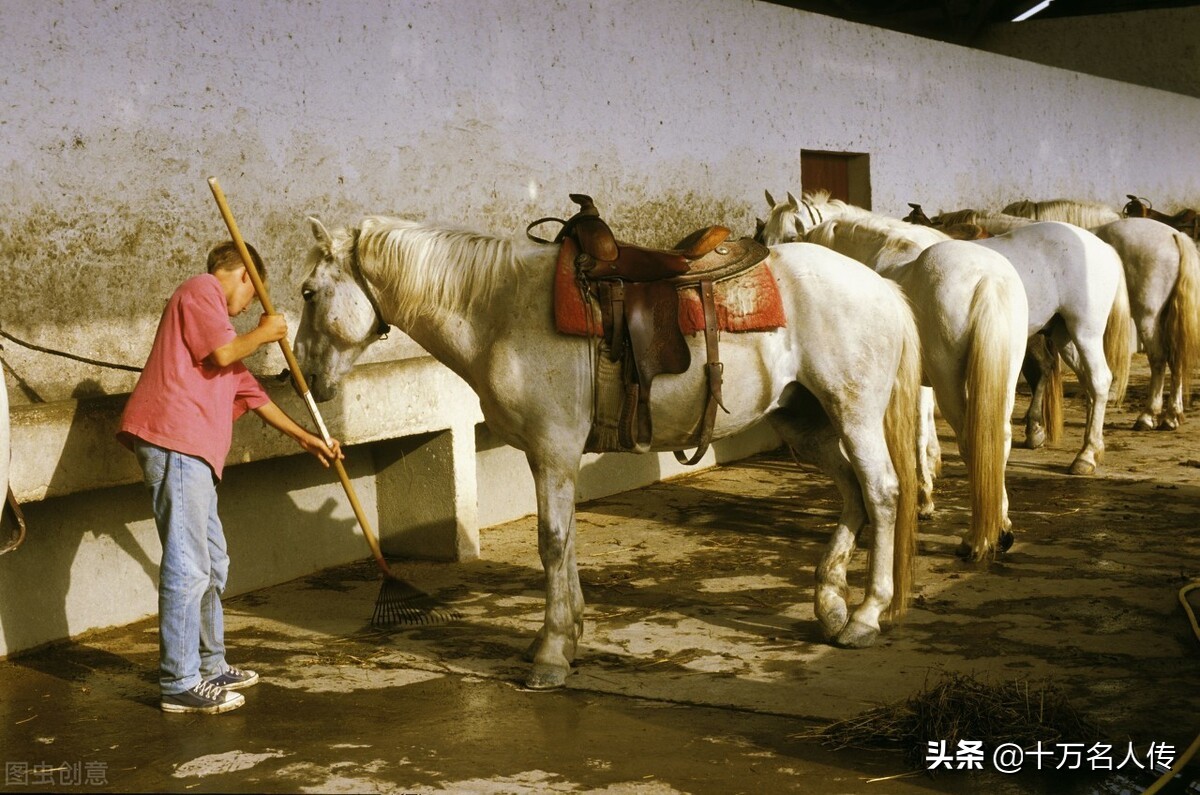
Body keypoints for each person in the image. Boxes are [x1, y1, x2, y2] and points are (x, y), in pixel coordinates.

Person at [117, 240, 343, 714]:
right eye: (252, 297)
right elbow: (223, 355)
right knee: (189, 562)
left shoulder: (218, 329)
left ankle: (209, 663)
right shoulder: (200, 290)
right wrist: (264, 332)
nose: (248, 310)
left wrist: (309, 439)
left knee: (213, 562)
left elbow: (254, 395)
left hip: (195, 453)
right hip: (175, 441)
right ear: (241, 275)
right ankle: (179, 681)